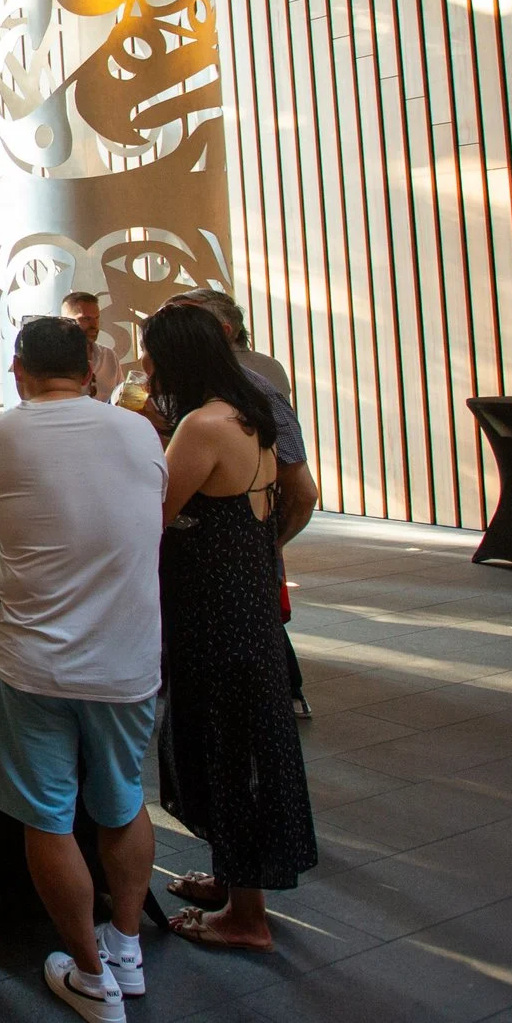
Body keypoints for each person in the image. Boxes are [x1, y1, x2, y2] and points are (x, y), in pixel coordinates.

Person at [0, 317, 169, 1023]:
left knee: (47, 816)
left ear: (17, 369)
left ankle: (89, 971)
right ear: (91, 368)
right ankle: (128, 946)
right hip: (131, 660)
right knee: (121, 802)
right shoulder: (141, 432)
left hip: (33, 661)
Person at [142, 303, 319, 952]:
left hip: (213, 612)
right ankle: (231, 878)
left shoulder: (201, 424)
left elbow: (154, 512)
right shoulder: (246, 410)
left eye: (150, 354)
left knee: (225, 744)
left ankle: (246, 916)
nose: (143, 366)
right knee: (238, 739)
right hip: (242, 601)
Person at [163, 289, 320, 713]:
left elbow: (302, 490)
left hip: (221, 571)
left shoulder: (249, 393)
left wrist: (268, 542)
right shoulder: (196, 394)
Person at [60, 291, 124, 402]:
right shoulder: (55, 360)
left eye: (97, 318)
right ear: (65, 322)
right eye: (86, 319)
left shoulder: (109, 356)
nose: (94, 325)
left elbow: (121, 398)